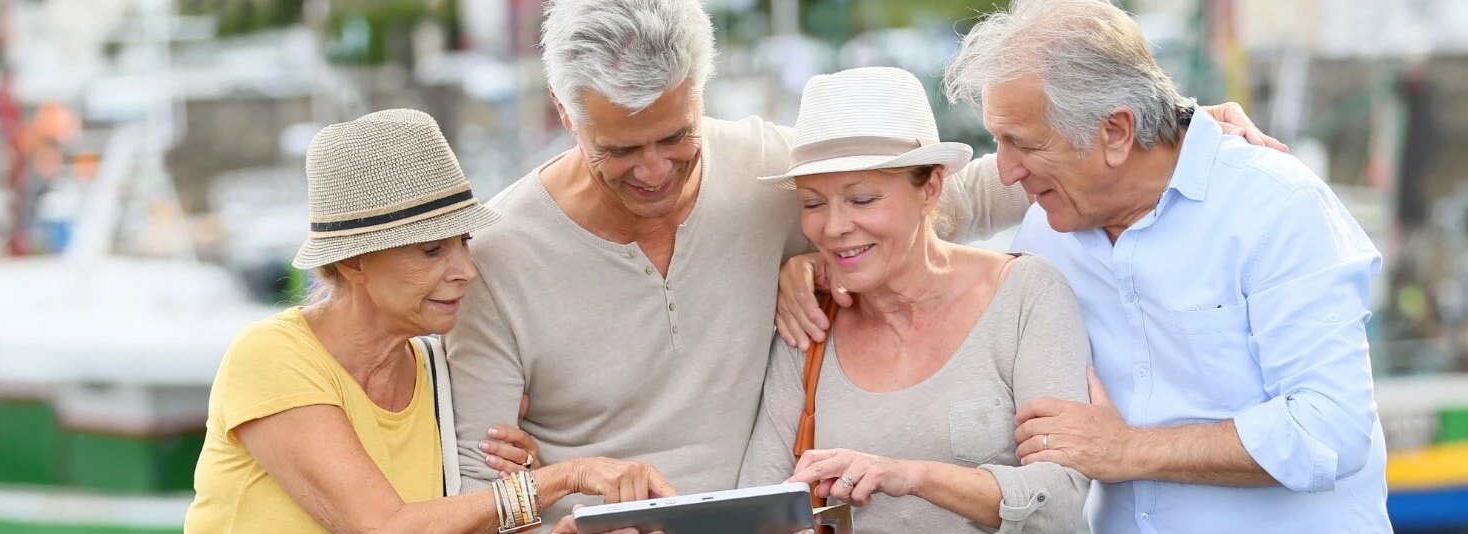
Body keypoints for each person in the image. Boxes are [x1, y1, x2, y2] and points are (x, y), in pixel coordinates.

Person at [444, 0, 1280, 523]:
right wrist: (550, 517)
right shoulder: (501, 255)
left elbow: (943, 194)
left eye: (677, 139)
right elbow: (482, 484)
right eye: (620, 150)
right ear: (564, 111)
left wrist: (1155, 134)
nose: (656, 172)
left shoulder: (772, 172)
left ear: (702, 97)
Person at [946, 1, 1388, 531]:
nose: (1006, 169)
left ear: (1115, 132)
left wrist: (1128, 449)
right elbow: (901, 218)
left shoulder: (1276, 206)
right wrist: (815, 266)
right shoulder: (1046, 221)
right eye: (999, 140)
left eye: (1022, 143)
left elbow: (1331, 430)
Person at [185, 109, 674, 534]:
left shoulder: (440, 372)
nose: (466, 270)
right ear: (354, 263)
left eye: (463, 242)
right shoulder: (270, 357)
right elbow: (385, 527)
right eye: (432, 250)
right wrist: (561, 478)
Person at [736, 67, 1092, 534]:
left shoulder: (1026, 294)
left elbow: (1062, 500)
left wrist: (911, 475)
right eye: (813, 203)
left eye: (862, 199)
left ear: (931, 189)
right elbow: (755, 509)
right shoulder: (809, 321)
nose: (833, 227)